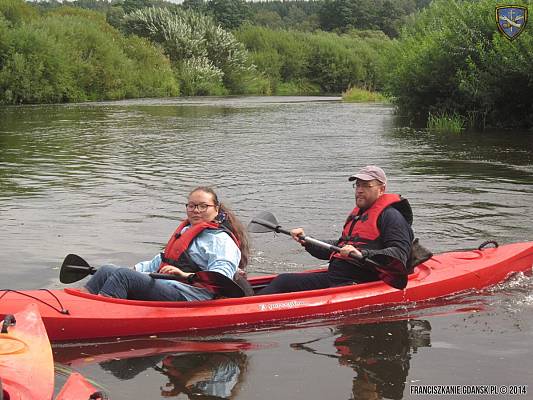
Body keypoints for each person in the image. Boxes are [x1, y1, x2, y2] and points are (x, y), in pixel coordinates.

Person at [258, 166, 416, 294]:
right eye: (358, 185)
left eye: (366, 185)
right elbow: (338, 247)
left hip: (359, 282)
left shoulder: (391, 217)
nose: (359, 190)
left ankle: (244, 309)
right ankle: (240, 301)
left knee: (284, 283)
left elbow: (399, 254)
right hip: (338, 277)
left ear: (381, 189)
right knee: (283, 280)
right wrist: (306, 240)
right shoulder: (359, 215)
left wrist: (363, 254)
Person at [83, 186, 251, 301]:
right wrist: (137, 269)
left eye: (203, 206)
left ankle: (92, 317)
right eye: (192, 206)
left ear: (216, 209)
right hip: (170, 285)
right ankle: (77, 304)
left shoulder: (222, 241)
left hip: (191, 295)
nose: (196, 211)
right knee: (108, 270)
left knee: (122, 277)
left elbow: (220, 279)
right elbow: (164, 260)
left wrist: (184, 276)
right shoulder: (186, 231)